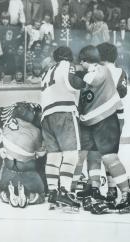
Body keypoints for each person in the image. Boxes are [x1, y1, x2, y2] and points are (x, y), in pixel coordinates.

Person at [78, 45, 130, 213]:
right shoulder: (120, 71)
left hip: (103, 116)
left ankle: (98, 188)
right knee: (109, 155)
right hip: (116, 114)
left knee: (96, 155)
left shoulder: (98, 70)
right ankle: (112, 189)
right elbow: (123, 92)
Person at [40, 46, 84, 210]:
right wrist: (85, 80)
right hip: (63, 111)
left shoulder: (47, 71)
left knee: (54, 155)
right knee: (71, 154)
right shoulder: (66, 65)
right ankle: (64, 191)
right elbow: (74, 83)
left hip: (46, 116)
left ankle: (52, 191)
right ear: (68, 56)